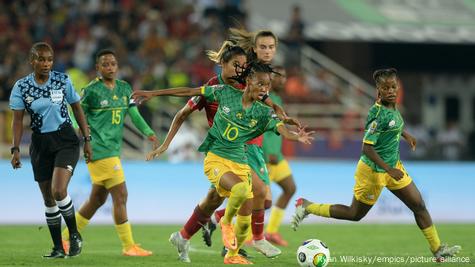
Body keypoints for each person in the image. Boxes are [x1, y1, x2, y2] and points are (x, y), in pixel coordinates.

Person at [133, 40, 295, 262]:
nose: (240, 69)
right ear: (222, 64)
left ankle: (185, 235)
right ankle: (251, 239)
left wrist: (278, 110)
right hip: (223, 150)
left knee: (217, 199)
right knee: (255, 193)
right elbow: (182, 114)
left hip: (246, 147)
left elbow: (266, 97)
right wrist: (165, 144)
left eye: (243, 65)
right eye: (236, 64)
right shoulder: (213, 88)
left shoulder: (244, 84)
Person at [291, 68, 461, 261]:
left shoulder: (392, 108)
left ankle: (438, 250)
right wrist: (389, 169)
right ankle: (307, 206)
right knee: (354, 214)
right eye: (386, 88)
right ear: (378, 91)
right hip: (374, 171)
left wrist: (405, 135)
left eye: (393, 86)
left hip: (393, 167)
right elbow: (366, 148)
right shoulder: (378, 114)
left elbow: (392, 126)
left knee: (419, 205)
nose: (391, 91)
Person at [61, 49, 158, 256]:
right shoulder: (91, 90)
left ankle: (66, 236)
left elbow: (133, 113)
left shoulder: (124, 88)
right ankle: (128, 246)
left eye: (113, 64)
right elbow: (75, 110)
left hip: (113, 149)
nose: (110, 68)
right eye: (105, 64)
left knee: (97, 200)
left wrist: (148, 132)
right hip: (99, 149)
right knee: (121, 195)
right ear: (97, 68)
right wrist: (80, 130)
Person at [208, 28, 287, 257]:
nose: (267, 51)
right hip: (242, 144)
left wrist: (273, 105)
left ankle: (221, 220)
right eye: (262, 46)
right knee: (255, 194)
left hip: (256, 143)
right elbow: (231, 91)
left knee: (262, 201)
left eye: (271, 47)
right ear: (254, 49)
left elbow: (260, 95)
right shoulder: (246, 71)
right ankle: (246, 240)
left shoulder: (262, 72)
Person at [9, 42, 92, 258]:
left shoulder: (62, 80)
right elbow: (17, 120)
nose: (46, 63)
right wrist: (16, 148)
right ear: (32, 61)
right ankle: (57, 248)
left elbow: (77, 107)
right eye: (41, 59)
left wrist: (87, 138)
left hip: (65, 139)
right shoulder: (21, 86)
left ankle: (74, 234)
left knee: (58, 190)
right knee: (48, 199)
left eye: (49, 59)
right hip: (40, 144)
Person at [262, 66, 294, 247]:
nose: (284, 80)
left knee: (290, 188)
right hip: (265, 157)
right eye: (280, 76)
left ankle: (272, 231)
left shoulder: (278, 99)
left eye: (285, 77)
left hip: (277, 157)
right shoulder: (262, 99)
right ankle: (248, 234)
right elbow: (261, 129)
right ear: (270, 78)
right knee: (258, 199)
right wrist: (268, 153)